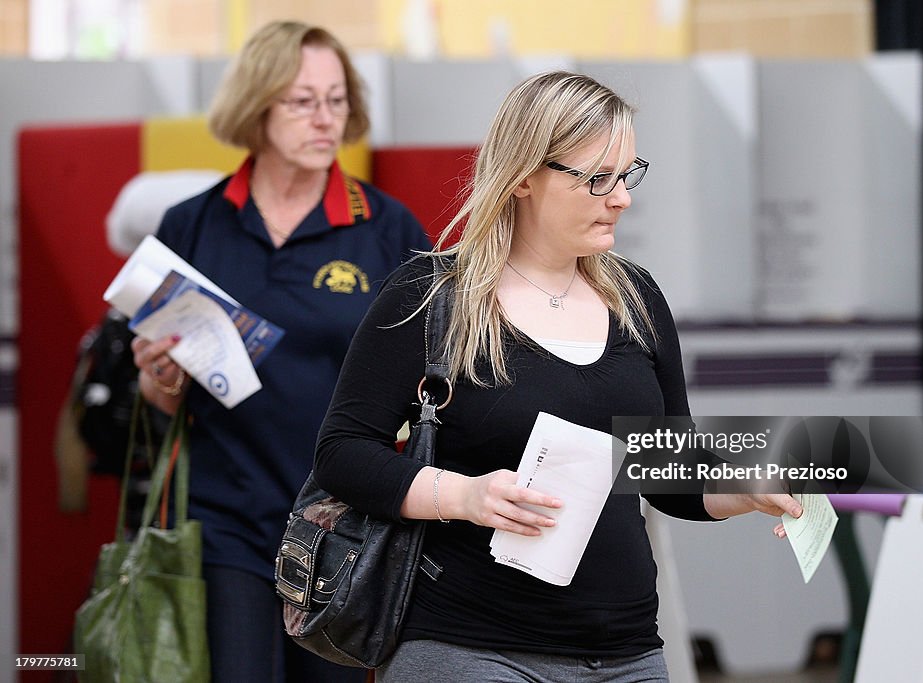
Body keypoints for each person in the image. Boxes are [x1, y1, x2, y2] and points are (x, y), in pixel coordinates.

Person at [313, 70, 803, 682]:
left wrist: (743, 492)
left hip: (628, 654)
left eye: (628, 175)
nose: (621, 197)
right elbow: (344, 453)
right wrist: (463, 496)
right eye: (598, 179)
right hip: (471, 648)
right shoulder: (433, 296)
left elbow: (666, 473)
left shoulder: (637, 300)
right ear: (523, 177)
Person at [130, 21, 431, 683]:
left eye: (338, 99)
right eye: (302, 101)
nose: (326, 119)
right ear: (256, 107)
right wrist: (157, 381)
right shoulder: (194, 222)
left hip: (342, 522)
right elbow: (156, 401)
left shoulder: (387, 229)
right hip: (225, 516)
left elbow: (433, 380)